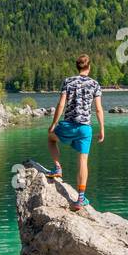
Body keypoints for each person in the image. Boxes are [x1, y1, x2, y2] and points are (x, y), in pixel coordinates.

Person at [44, 54, 104, 210]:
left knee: (51, 138)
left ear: (77, 67)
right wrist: (102, 129)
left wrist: (54, 124)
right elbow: (98, 109)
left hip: (68, 125)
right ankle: (80, 198)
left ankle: (57, 167)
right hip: (85, 129)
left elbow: (61, 104)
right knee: (83, 161)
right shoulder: (95, 84)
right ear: (89, 67)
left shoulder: (68, 81)